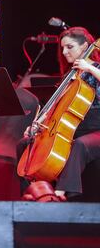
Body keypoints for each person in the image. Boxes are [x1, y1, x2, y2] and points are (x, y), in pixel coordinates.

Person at [18, 27, 100, 199]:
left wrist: (91, 68)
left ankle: (60, 194)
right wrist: (39, 124)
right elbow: (57, 108)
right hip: (73, 128)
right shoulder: (70, 75)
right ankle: (34, 193)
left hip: (95, 128)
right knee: (24, 143)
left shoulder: (95, 69)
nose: (64, 52)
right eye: (62, 48)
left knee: (79, 146)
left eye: (69, 47)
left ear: (85, 46)